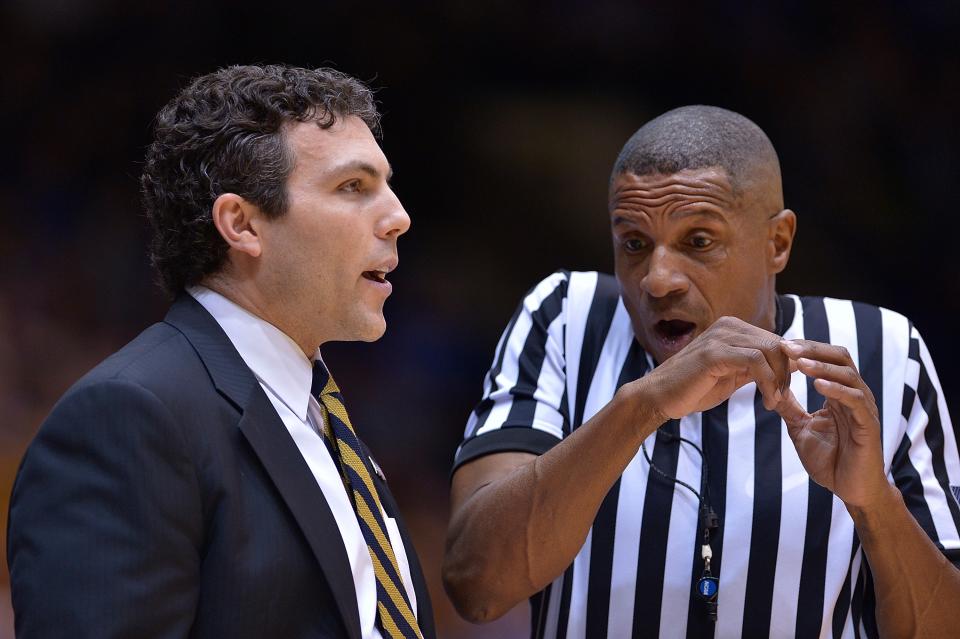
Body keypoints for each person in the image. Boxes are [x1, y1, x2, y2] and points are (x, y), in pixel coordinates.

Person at [443, 105, 960, 638]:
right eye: (635, 244)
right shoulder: (565, 317)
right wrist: (643, 405)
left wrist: (874, 503)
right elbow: (475, 585)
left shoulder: (881, 347)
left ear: (777, 243)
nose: (658, 280)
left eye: (698, 241)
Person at [8, 64, 434, 639]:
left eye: (386, 184)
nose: (399, 217)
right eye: (352, 187)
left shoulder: (322, 415)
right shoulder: (129, 419)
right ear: (242, 224)